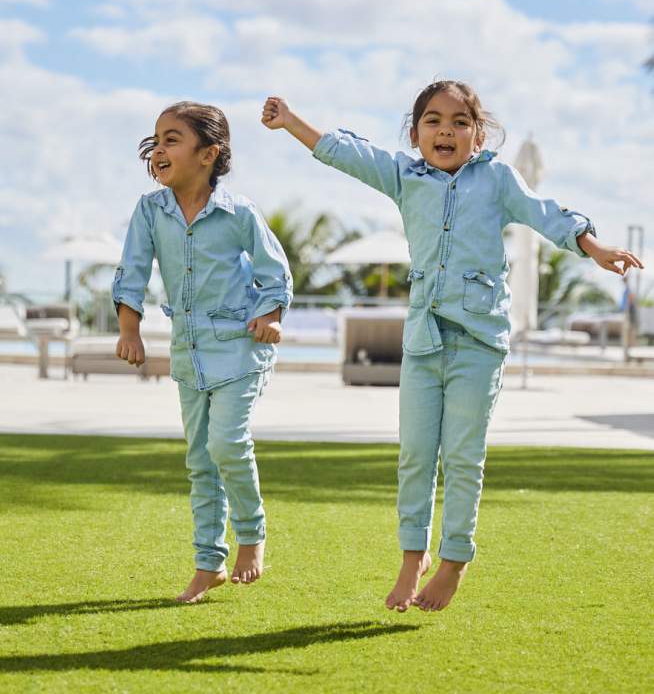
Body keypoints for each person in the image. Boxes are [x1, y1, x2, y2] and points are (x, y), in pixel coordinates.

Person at [261, 81, 644, 613]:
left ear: (478, 134)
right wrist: (291, 121)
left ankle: (453, 561)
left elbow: (547, 214)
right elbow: (348, 153)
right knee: (416, 456)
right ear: (415, 133)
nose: (446, 130)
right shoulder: (403, 176)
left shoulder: (497, 179)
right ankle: (411, 556)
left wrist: (593, 245)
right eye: (433, 121)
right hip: (423, 339)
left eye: (460, 122)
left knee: (462, 457)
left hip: (480, 340)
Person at [113, 101, 292, 603]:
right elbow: (132, 269)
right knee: (200, 459)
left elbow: (274, 272)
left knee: (227, 445)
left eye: (172, 139)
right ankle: (207, 562)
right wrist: (131, 329)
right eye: (156, 140)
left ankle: (251, 537)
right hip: (189, 353)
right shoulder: (150, 211)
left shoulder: (240, 213)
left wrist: (271, 316)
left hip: (240, 348)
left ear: (208, 154)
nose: (159, 150)